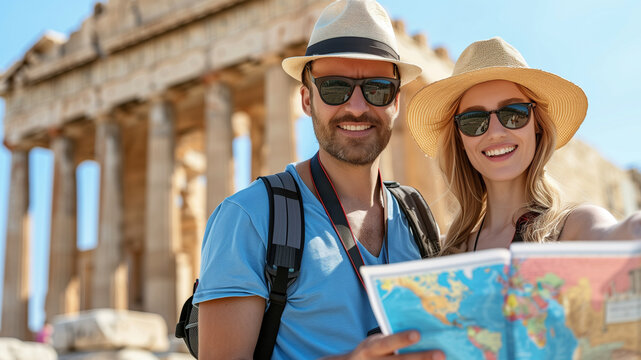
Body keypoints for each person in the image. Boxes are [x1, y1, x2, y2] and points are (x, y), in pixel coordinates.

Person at [195, 0, 444, 359]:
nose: (357, 107)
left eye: (377, 89)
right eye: (333, 88)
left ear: (397, 102)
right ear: (307, 100)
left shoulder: (415, 215)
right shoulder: (248, 218)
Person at [406, 37, 641, 255]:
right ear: (460, 139)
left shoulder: (573, 229)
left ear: (537, 125)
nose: (496, 132)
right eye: (474, 121)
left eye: (514, 114)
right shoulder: (448, 252)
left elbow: (620, 236)